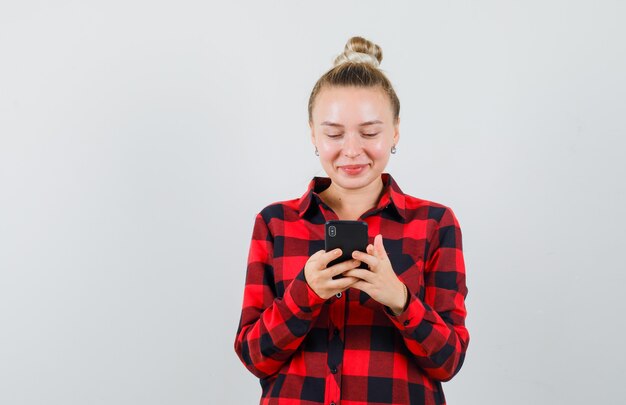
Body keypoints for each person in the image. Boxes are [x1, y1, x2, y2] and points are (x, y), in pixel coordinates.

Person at [234, 36, 469, 405]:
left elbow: (449, 362)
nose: (352, 149)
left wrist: (400, 299)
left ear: (395, 132)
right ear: (313, 134)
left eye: (370, 132)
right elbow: (255, 357)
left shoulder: (435, 224)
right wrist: (304, 295)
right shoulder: (275, 222)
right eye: (333, 133)